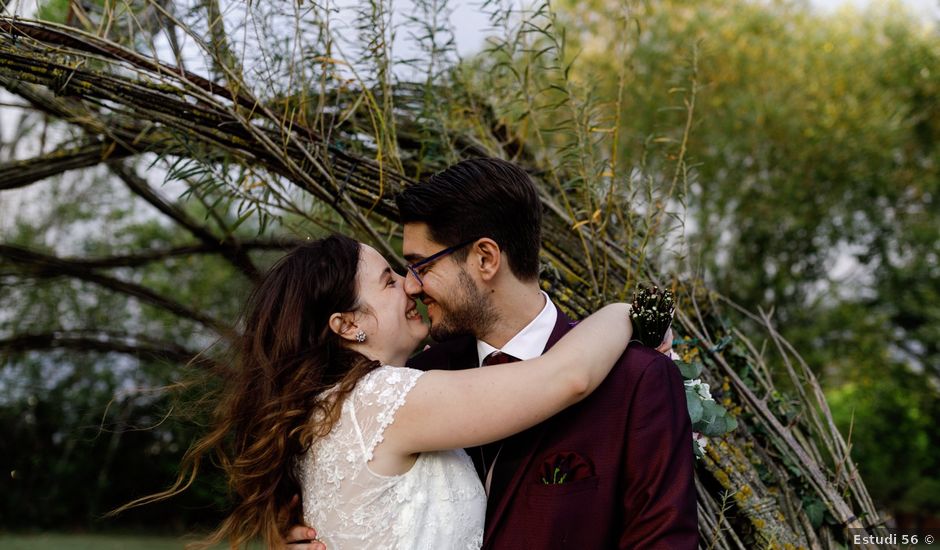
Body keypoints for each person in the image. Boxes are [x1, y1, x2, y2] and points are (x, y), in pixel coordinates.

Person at [117, 233, 633, 549]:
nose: (411, 286)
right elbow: (568, 377)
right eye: (388, 282)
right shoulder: (383, 400)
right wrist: (632, 312)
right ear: (347, 326)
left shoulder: (326, 408)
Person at [288, 158, 698, 549]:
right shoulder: (412, 380)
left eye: (420, 266)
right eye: (399, 274)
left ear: (485, 259)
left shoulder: (635, 378)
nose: (411, 286)